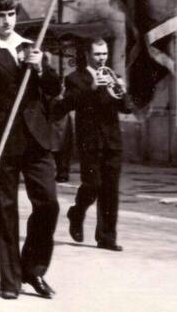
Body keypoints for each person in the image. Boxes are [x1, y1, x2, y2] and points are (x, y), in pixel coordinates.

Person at [0, 0, 61, 300]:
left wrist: (42, 67)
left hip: (36, 140)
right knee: (6, 212)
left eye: (11, 14)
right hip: (2, 143)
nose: (7, 20)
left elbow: (53, 89)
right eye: (1, 15)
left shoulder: (30, 47)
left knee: (48, 204)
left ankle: (33, 268)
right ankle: (11, 279)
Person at [54, 39, 134, 252]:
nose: (102, 58)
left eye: (105, 53)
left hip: (112, 141)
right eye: (98, 54)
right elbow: (69, 104)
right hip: (89, 141)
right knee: (93, 184)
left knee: (111, 190)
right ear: (88, 55)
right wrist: (92, 89)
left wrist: (123, 92)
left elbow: (127, 108)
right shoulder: (75, 79)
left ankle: (107, 238)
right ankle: (77, 212)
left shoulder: (112, 76)